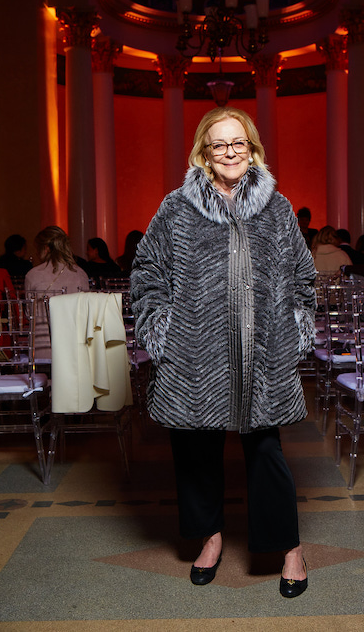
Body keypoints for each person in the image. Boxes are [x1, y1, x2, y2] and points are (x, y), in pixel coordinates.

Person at [131, 106, 316, 598]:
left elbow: (303, 274)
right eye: (219, 144)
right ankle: (210, 538)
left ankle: (290, 549)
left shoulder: (277, 208)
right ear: (204, 153)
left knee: (266, 451)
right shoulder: (177, 208)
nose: (230, 152)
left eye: (239, 143)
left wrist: (296, 327)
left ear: (252, 150)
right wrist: (162, 330)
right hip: (194, 354)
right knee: (196, 451)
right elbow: (147, 272)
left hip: (263, 354)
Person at [25, 226, 90, 359]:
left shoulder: (33, 275)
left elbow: (29, 313)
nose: (36, 253)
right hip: (74, 349)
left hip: (42, 348)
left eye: (38, 248)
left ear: (46, 248)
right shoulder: (81, 274)